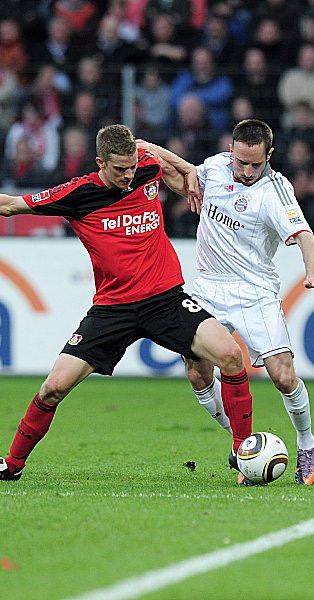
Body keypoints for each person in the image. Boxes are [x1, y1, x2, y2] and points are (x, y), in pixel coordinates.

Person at [0, 124, 254, 483]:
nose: (129, 175)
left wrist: (157, 153)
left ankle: (243, 454)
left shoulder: (146, 165)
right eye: (119, 169)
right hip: (112, 309)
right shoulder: (78, 193)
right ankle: (12, 464)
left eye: (132, 165)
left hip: (165, 299)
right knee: (53, 387)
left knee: (230, 355)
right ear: (100, 162)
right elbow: (11, 205)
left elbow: (175, 168)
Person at [143, 119, 314, 486]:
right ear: (231, 150)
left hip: (254, 292)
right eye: (240, 162)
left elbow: (307, 239)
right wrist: (140, 144)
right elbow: (177, 170)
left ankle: (307, 443)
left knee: (282, 375)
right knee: (197, 371)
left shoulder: (277, 192)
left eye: (255, 164)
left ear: (270, 156)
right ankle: (244, 444)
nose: (246, 172)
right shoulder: (215, 167)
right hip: (209, 289)